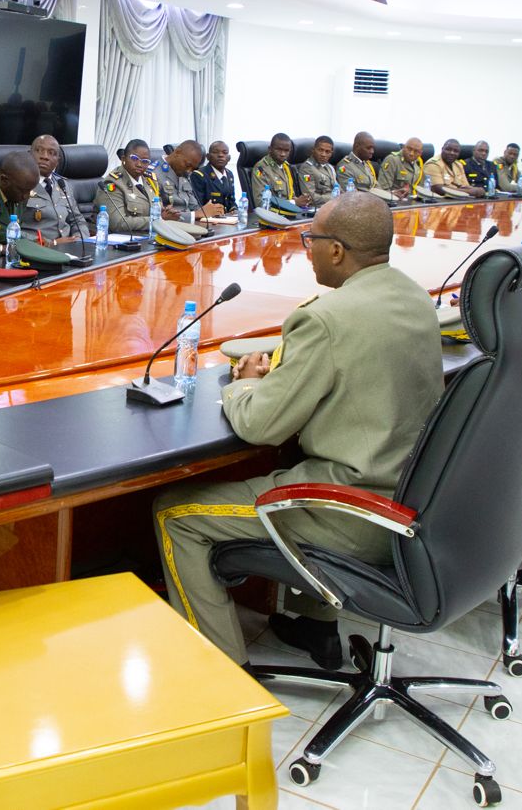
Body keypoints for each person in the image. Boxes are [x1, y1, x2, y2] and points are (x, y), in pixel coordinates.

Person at [152, 193, 442, 668]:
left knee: (174, 513)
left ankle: (223, 672)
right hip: (413, 500)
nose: (306, 249)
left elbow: (259, 425)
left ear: (336, 251)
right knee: (303, 457)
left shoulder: (325, 318)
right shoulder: (413, 296)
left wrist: (244, 385)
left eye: (311, 240)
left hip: (352, 508)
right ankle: (315, 625)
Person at [19, 134, 89, 244]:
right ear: (29, 154)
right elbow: (11, 229)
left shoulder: (63, 184)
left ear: (57, 161)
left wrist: (79, 239)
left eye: (52, 153)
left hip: (70, 249)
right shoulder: (19, 184)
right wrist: (51, 244)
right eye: (39, 150)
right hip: (37, 252)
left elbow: (77, 220)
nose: (45, 157)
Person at [97, 138, 164, 233]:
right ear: (123, 159)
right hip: (124, 240)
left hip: (150, 236)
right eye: (134, 159)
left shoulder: (150, 180)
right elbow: (118, 223)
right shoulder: (113, 184)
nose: (139, 164)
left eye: (145, 161)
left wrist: (167, 213)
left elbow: (158, 209)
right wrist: (157, 220)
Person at [155, 139, 225, 219]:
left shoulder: (184, 172)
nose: (189, 171)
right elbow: (159, 215)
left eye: (193, 168)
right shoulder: (154, 174)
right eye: (188, 165)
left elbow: (194, 206)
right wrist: (196, 214)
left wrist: (210, 212)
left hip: (192, 225)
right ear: (177, 152)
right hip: (171, 228)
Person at [251, 133, 312, 210]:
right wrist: (294, 203)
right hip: (273, 217)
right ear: (270, 149)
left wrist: (301, 201)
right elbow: (261, 203)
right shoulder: (261, 169)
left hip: (289, 213)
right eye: (279, 150)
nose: (283, 154)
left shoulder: (286, 167)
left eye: (286, 151)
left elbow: (290, 196)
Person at [196, 140, 238, 212]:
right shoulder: (199, 176)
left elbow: (231, 200)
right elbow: (198, 206)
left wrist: (234, 210)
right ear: (208, 157)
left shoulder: (229, 174)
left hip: (228, 219)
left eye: (225, 153)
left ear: (229, 158)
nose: (220, 155)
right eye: (215, 152)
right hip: (210, 219)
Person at [297, 136, 340, 206]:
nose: (323, 154)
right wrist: (335, 198)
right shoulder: (307, 168)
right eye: (320, 150)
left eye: (327, 152)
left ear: (331, 153)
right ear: (313, 150)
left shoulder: (330, 167)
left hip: (333, 205)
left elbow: (337, 188)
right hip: (318, 208)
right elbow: (310, 197)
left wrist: (347, 196)